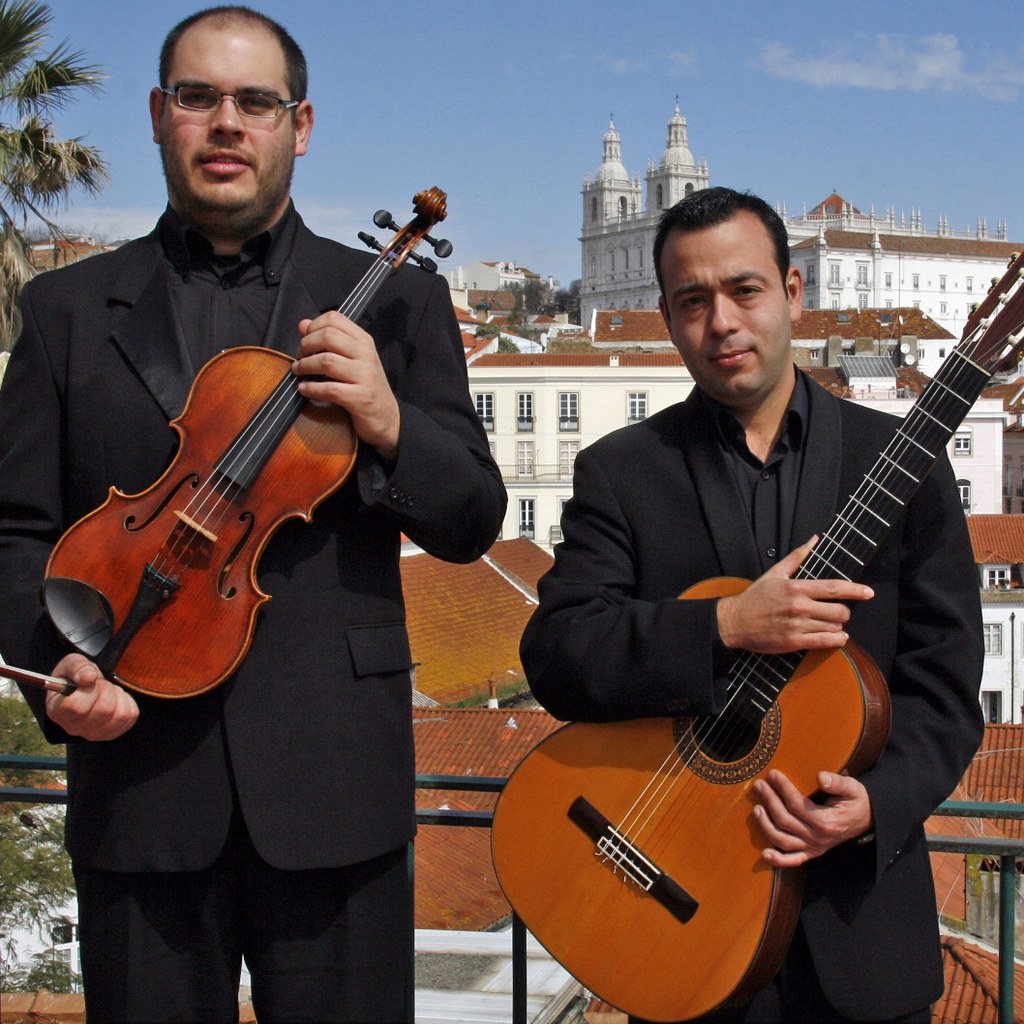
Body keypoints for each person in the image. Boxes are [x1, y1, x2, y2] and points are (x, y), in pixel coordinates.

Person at [0, 6, 505, 1023]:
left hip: (336, 784)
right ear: (159, 115)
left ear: (299, 125)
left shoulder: (394, 301)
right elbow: (14, 529)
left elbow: (472, 517)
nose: (226, 122)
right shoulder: (65, 311)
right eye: (198, 97)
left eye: (255, 101)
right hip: (137, 786)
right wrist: (57, 660)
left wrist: (386, 417)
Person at [520, 187, 983, 1023]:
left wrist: (880, 803)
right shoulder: (621, 473)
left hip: (862, 934)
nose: (722, 323)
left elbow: (947, 689)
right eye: (693, 301)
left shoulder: (903, 465)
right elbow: (556, 654)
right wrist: (726, 625)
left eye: (744, 290)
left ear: (794, 293)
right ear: (664, 317)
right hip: (683, 928)